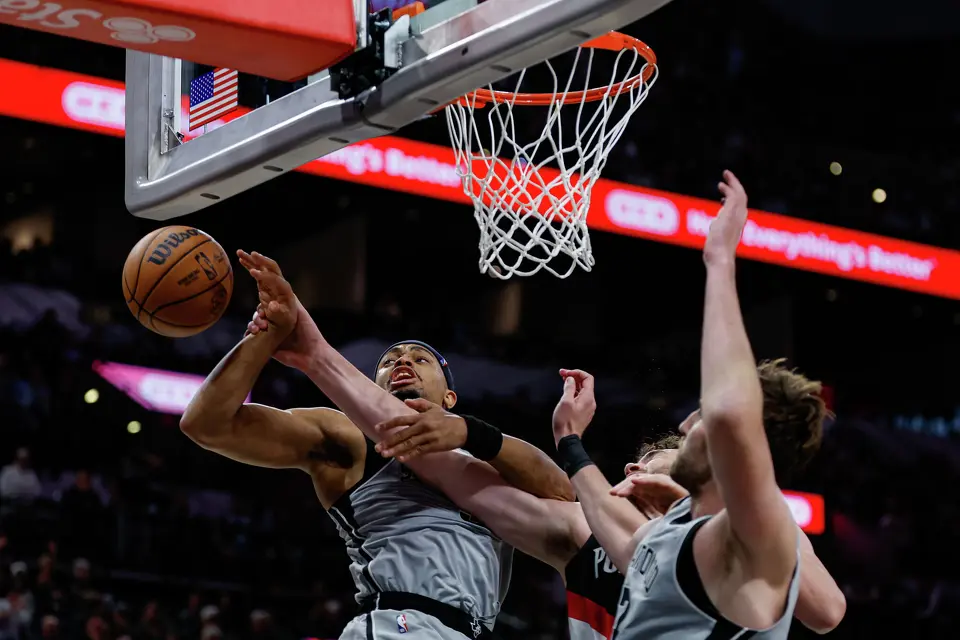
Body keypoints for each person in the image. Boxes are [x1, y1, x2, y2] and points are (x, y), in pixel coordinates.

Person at [180, 250, 575, 640]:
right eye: (389, 361)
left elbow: (563, 494)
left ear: (450, 399)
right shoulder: (351, 437)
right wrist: (266, 335)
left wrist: (471, 432)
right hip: (399, 625)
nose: (403, 361)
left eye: (421, 359)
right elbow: (207, 424)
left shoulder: (482, 463)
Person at [551, 171, 828, 638]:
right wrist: (569, 439)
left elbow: (730, 413)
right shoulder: (677, 535)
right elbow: (610, 523)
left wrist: (719, 260)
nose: (683, 424)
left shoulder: (762, 540)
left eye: (700, 419)